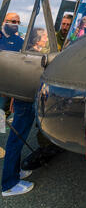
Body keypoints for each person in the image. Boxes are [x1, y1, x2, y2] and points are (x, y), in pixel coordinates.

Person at [21, 15, 73, 171]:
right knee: (45, 117)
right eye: (63, 24)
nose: (64, 27)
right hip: (52, 83)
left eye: (67, 24)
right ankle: (46, 147)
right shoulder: (52, 39)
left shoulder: (75, 39)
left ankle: (61, 140)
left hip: (68, 83)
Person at [0, 12, 35, 196]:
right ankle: (8, 184)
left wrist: (14, 94)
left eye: (18, 22)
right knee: (9, 134)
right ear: (4, 21)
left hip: (15, 92)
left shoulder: (18, 40)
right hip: (2, 92)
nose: (15, 24)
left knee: (16, 135)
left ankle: (14, 171)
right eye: (12, 21)